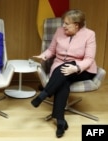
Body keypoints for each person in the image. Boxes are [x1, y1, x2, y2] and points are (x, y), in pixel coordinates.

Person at [31, 9, 97, 138]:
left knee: (66, 68)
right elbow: (51, 50)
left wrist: (76, 67)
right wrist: (44, 56)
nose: (63, 26)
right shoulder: (59, 31)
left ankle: (44, 94)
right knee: (63, 81)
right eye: (63, 23)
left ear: (76, 25)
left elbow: (89, 59)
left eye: (67, 24)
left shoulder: (89, 35)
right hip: (61, 68)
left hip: (82, 70)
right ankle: (60, 121)